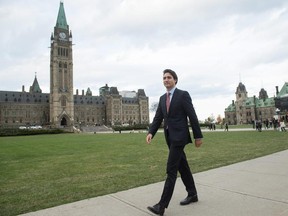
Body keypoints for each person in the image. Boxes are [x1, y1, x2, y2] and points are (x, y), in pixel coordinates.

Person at [146, 69, 203, 216]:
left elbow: (192, 116)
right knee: (182, 166)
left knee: (171, 170)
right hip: (169, 138)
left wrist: (198, 136)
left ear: (175, 80)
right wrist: (151, 132)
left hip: (180, 138)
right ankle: (193, 194)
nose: (166, 80)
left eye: (169, 77)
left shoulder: (183, 95)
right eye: (164, 78)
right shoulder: (162, 98)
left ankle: (161, 206)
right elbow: (158, 118)